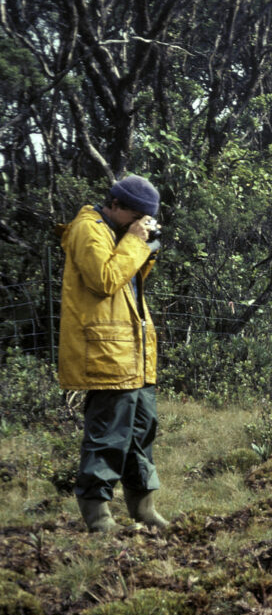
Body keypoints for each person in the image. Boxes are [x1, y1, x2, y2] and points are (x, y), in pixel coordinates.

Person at [58, 174, 169, 532]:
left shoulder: (119, 232)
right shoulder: (87, 229)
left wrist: (143, 245)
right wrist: (136, 241)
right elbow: (104, 279)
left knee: (141, 433)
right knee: (108, 436)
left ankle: (144, 510)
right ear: (116, 205)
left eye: (144, 219)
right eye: (136, 216)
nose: (140, 224)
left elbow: (128, 285)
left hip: (134, 354)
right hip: (108, 355)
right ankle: (98, 516)